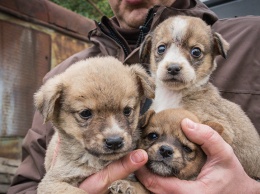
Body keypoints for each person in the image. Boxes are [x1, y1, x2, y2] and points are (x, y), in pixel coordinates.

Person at [8, 0, 260, 193]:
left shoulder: (252, 38)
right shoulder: (63, 77)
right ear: (150, 50)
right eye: (85, 113)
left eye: (195, 52)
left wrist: (250, 189)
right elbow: (26, 185)